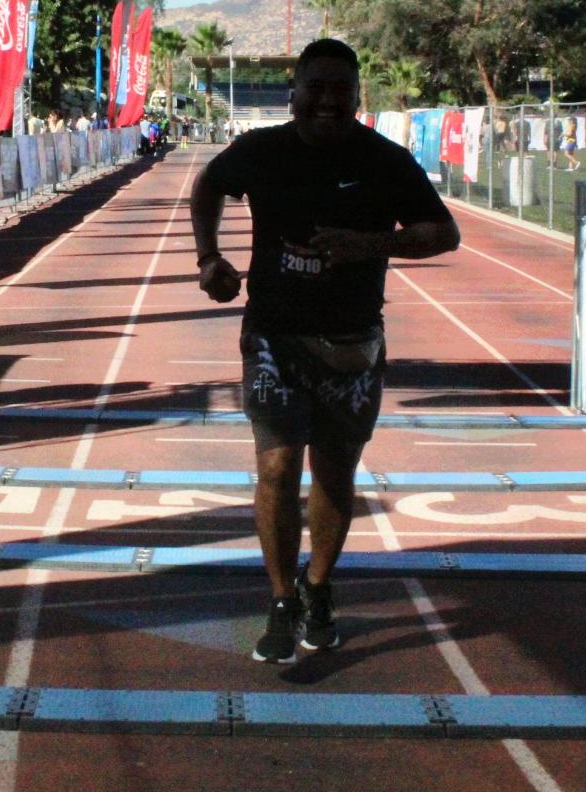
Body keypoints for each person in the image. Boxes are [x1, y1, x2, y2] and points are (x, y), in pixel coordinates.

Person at [188, 38, 460, 664]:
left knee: (334, 474)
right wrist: (208, 257)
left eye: (342, 89)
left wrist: (372, 245)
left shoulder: (385, 161)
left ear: (358, 96)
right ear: (295, 94)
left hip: (353, 345)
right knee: (278, 468)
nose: (328, 101)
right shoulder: (262, 150)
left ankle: (317, 587)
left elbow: (444, 233)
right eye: (317, 87)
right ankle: (282, 598)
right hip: (273, 337)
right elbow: (208, 186)